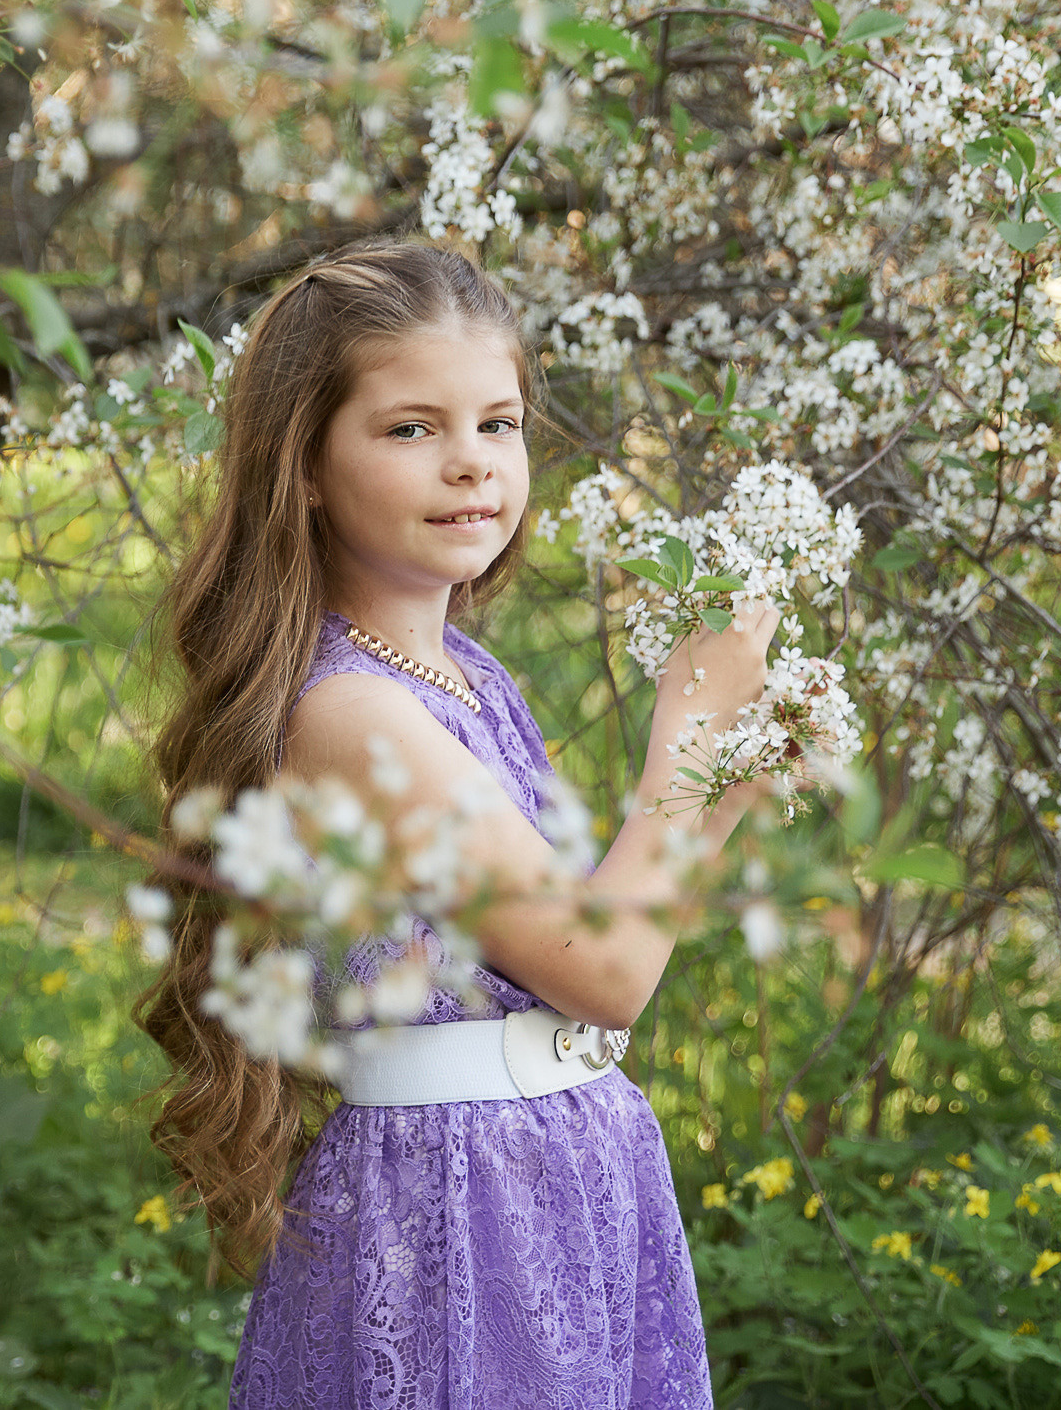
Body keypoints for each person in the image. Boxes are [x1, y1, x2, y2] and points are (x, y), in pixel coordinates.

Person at [135, 240, 778, 1409]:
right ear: (308, 468)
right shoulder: (348, 713)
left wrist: (721, 782)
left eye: (500, 424)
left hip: (566, 1179)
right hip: (455, 1212)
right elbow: (607, 970)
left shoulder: (468, 680)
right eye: (410, 429)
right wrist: (687, 746)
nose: (470, 464)